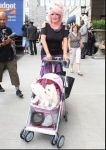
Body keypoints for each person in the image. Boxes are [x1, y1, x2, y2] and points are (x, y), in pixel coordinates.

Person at [40, 0, 69, 77]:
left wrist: (65, 54)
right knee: (47, 74)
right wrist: (48, 53)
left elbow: (65, 41)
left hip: (58, 53)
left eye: (57, 14)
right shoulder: (45, 25)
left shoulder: (64, 26)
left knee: (58, 74)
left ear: (60, 15)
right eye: (52, 14)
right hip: (46, 52)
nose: (55, 16)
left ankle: (57, 88)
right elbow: (43, 40)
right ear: (49, 15)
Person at [0, 12, 23, 98]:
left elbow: (12, 42)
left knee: (14, 73)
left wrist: (12, 41)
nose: (2, 21)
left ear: (7, 20)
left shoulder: (8, 29)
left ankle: (17, 89)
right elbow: (4, 43)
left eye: (4, 19)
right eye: (0, 19)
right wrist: (3, 43)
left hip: (10, 56)